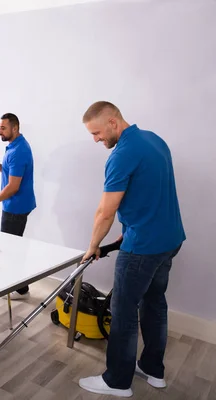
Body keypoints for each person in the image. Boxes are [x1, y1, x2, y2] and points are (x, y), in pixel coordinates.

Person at [78, 101, 185, 397]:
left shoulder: (122, 155)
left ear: (113, 122)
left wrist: (93, 246)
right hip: (170, 240)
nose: (96, 139)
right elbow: (150, 195)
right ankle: (153, 369)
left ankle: (118, 381)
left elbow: (105, 212)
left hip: (143, 247)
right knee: (154, 303)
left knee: (123, 311)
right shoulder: (154, 140)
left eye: (97, 132)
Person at [0, 113, 36, 299]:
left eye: (3, 128)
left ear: (15, 128)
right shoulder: (14, 146)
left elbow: (13, 187)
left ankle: (10, 288)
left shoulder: (18, 151)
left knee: (9, 250)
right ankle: (21, 288)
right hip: (17, 203)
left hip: (16, 207)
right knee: (14, 247)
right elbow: (13, 175)